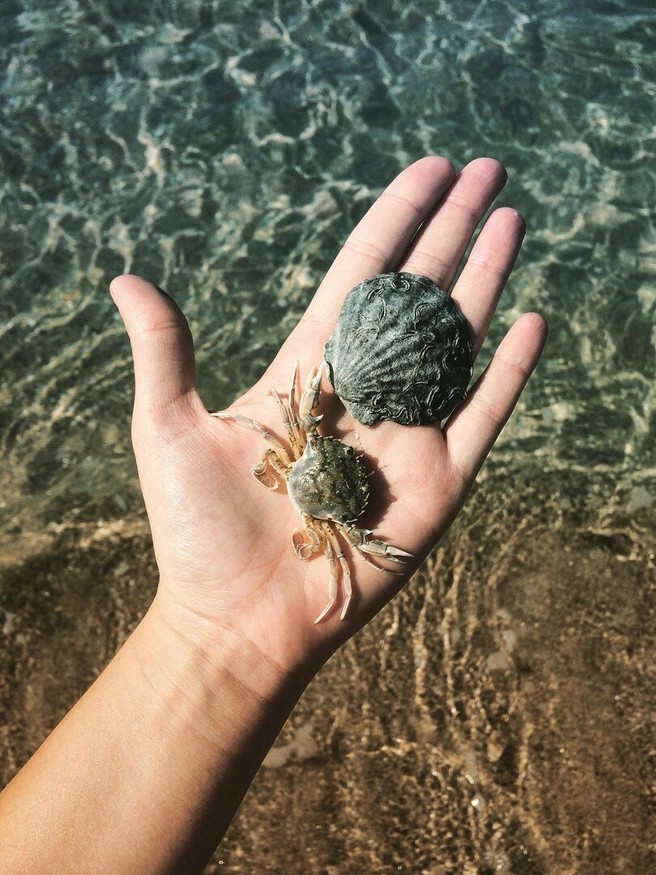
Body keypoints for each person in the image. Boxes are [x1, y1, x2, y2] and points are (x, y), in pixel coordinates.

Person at [0, 156, 547, 874]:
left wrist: (213, 640)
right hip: (320, 493)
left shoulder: (304, 456)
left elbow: (301, 437)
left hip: (317, 488)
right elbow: (309, 460)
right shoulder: (312, 471)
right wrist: (218, 627)